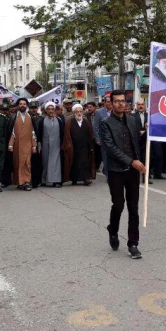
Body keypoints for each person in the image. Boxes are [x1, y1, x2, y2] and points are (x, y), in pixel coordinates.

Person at [99, 89, 146, 259]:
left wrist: (148, 132)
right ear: (111, 103)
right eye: (116, 101)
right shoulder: (105, 123)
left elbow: (137, 143)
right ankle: (113, 229)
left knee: (133, 208)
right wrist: (130, 161)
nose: (120, 104)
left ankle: (133, 244)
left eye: (123, 101)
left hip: (133, 172)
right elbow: (110, 148)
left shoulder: (132, 120)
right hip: (115, 171)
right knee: (118, 204)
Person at [37, 101, 70, 188]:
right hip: (45, 145)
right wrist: (39, 146)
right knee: (45, 162)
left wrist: (63, 144)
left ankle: (56, 180)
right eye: (49, 109)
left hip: (57, 144)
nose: (51, 111)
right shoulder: (42, 121)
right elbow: (39, 134)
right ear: (45, 110)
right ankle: (44, 180)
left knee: (56, 162)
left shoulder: (59, 120)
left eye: (52, 109)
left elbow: (63, 133)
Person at [8, 97, 37, 191]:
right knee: (19, 164)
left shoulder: (30, 117)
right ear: (17, 106)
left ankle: (27, 182)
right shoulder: (14, 117)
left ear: (27, 106)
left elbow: (33, 132)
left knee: (27, 163)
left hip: (28, 145)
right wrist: (10, 145)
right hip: (17, 146)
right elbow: (12, 132)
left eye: (24, 104)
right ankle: (20, 182)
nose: (22, 105)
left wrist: (34, 145)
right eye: (20, 104)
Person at [66, 103, 96, 185]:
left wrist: (91, 145)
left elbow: (90, 133)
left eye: (80, 111)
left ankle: (86, 178)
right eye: (77, 112)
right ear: (74, 113)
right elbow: (67, 135)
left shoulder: (86, 121)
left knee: (84, 162)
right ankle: (74, 179)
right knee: (75, 163)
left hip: (84, 146)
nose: (79, 113)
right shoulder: (69, 122)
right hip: (74, 146)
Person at [93, 96, 111, 175]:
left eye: (111, 101)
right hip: (103, 139)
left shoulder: (115, 111)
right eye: (108, 102)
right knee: (106, 157)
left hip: (114, 139)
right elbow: (95, 126)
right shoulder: (99, 112)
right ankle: (108, 175)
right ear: (104, 103)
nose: (110, 103)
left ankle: (108, 171)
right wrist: (97, 139)